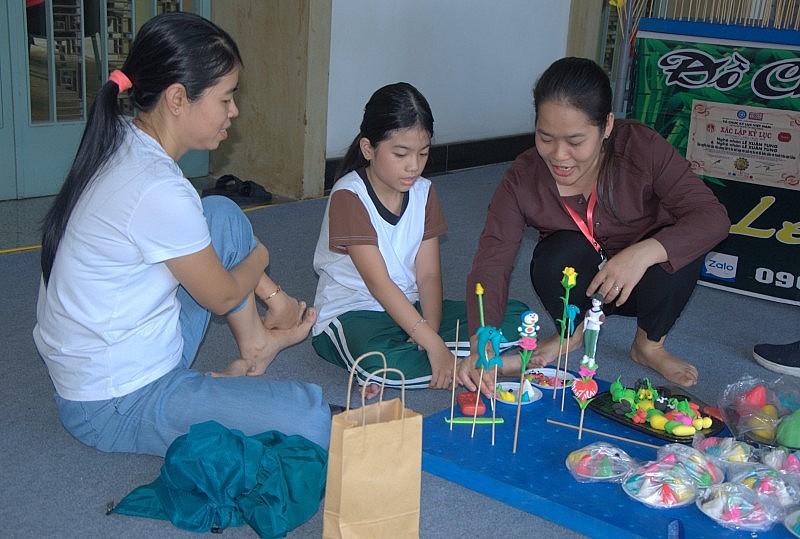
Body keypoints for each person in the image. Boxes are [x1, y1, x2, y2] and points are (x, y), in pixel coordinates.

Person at [32, 12, 331, 457]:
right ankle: (224, 378)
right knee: (309, 419)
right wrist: (262, 258)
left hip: (122, 349)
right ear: (177, 99)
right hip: (115, 401)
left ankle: (255, 344)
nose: (234, 111)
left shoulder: (121, 136)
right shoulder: (157, 188)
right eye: (226, 98)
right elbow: (224, 295)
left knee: (221, 215)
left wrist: (271, 294)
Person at [457, 57, 730, 396]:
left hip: (645, 285)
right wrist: (482, 338)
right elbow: (492, 260)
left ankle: (649, 346)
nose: (559, 155)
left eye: (575, 141)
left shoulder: (641, 148)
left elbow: (712, 217)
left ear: (607, 127)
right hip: (584, 285)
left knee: (681, 248)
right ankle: (571, 333)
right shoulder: (523, 177)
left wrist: (641, 254)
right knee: (553, 256)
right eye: (545, 137)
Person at [311, 82, 527, 398]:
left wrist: (431, 330)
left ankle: (450, 360)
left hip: (412, 309)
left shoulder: (424, 192)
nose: (414, 165)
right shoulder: (349, 196)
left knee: (518, 318)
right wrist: (434, 345)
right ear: (368, 148)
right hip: (355, 313)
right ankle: (478, 365)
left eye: (423, 153)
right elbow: (378, 283)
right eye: (401, 154)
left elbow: (428, 276)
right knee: (379, 363)